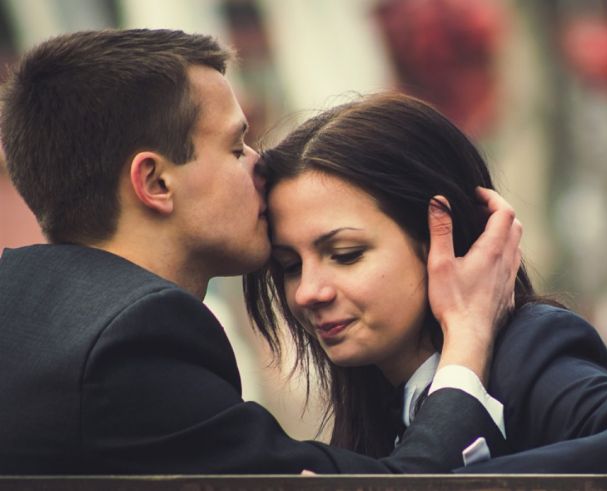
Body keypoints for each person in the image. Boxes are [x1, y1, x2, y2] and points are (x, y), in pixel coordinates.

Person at [0, 29, 523, 474]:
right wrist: (469, 337)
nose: (260, 164)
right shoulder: (133, 342)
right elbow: (395, 487)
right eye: (235, 147)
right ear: (155, 181)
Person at [244, 92, 607, 473]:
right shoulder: (373, 393)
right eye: (291, 266)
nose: (309, 291)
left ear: (439, 240)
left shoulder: (526, 353)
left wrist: (454, 476)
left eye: (345, 254)